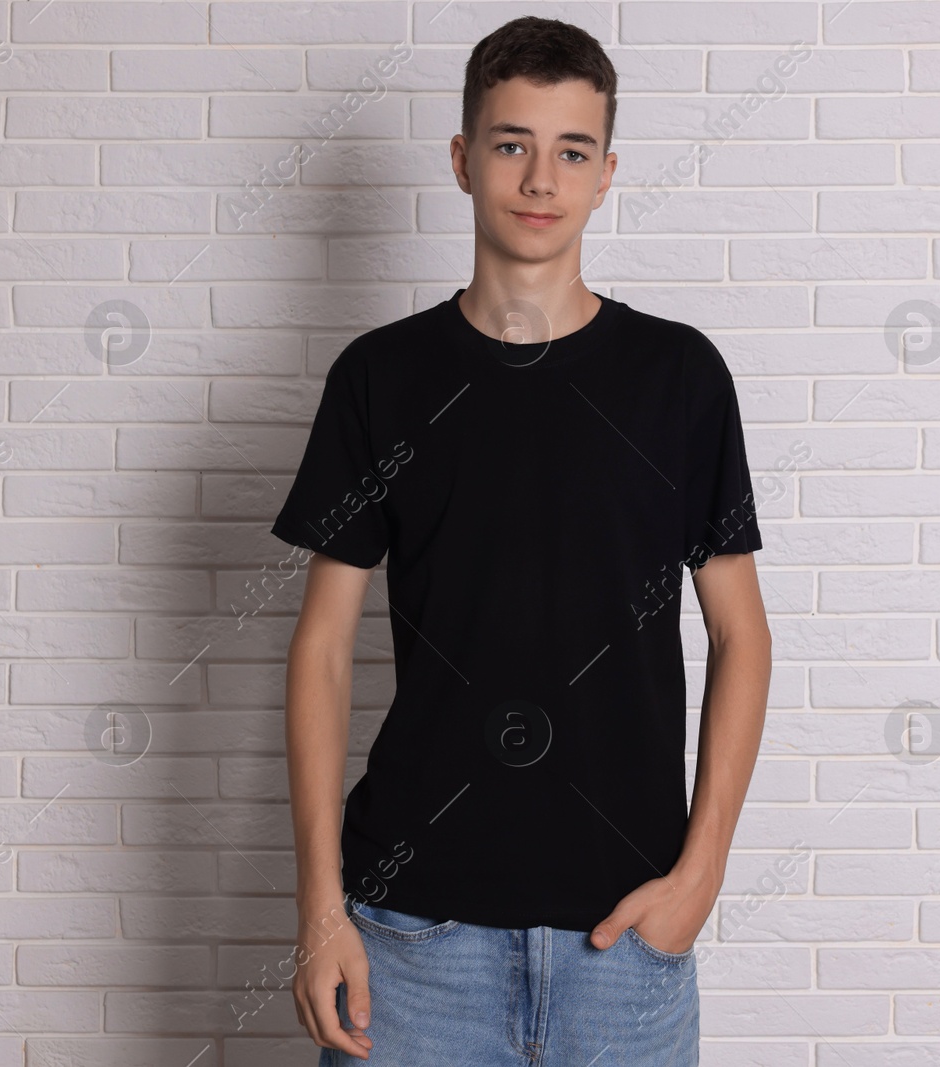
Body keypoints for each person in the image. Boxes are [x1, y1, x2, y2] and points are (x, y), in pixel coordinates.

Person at [270, 15, 772, 1066]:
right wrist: (322, 908)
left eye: (570, 151)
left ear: (604, 173)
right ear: (461, 160)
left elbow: (741, 633)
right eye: (511, 144)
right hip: (411, 941)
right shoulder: (381, 377)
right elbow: (319, 648)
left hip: (625, 941)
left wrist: (703, 871)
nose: (540, 177)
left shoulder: (679, 378)